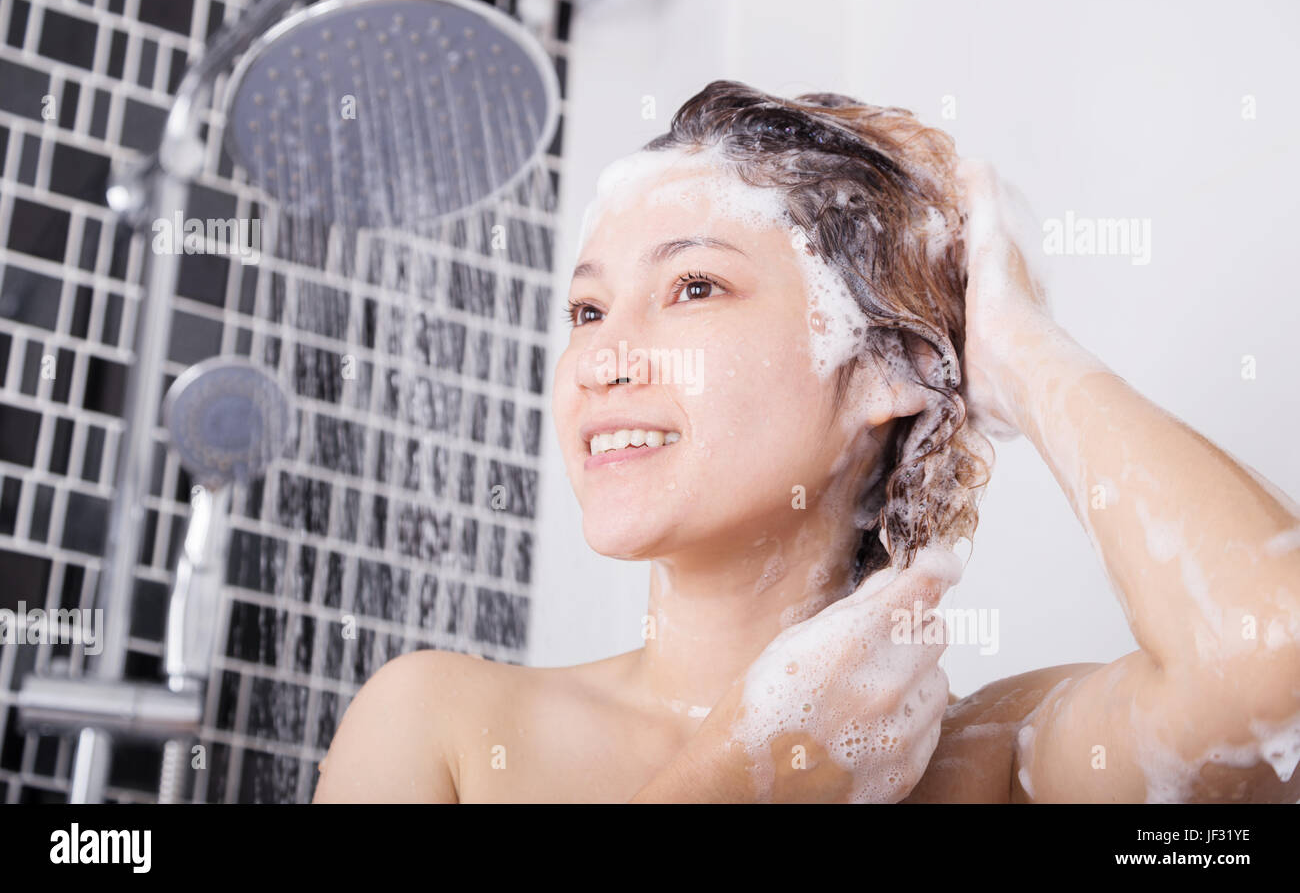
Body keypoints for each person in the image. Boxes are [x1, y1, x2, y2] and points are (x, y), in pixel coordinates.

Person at [313, 82, 1300, 803]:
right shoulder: (438, 725)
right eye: (585, 307)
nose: (600, 358)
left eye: (692, 286)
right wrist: (743, 779)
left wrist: (1017, 351)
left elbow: (1269, 653)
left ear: (882, 368)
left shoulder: (987, 765)